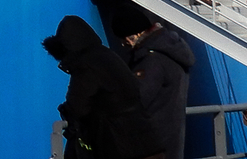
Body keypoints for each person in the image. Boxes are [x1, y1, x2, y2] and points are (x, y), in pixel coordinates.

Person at [43, 15, 166, 159]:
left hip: (118, 143)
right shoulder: (109, 55)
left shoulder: (85, 65)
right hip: (147, 139)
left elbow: (78, 106)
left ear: (66, 47)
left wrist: (67, 111)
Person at [111, 9, 195, 159]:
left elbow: (137, 99)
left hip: (150, 145)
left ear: (135, 34)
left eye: (124, 39)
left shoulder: (151, 60)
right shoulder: (171, 52)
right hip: (169, 141)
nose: (123, 44)